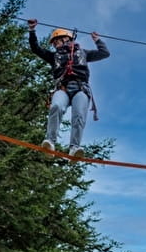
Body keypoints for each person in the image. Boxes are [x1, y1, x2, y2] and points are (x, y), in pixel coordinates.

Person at [28, 19, 110, 158]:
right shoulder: (54, 56)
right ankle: (50, 141)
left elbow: (104, 53)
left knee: (79, 115)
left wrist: (97, 40)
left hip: (81, 88)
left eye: (56, 41)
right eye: (53, 43)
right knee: (56, 107)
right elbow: (36, 48)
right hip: (63, 88)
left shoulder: (83, 53)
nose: (54, 44)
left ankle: (74, 148)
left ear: (66, 38)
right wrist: (32, 30)